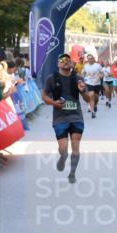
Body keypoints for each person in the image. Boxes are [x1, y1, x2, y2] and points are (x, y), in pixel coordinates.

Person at [42, 54, 91, 184]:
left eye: (68, 60)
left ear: (71, 63)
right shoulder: (51, 78)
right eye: (62, 60)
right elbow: (44, 96)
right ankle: (63, 157)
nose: (65, 62)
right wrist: (54, 103)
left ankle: (72, 173)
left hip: (76, 116)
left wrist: (83, 90)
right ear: (58, 64)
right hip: (60, 117)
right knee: (63, 148)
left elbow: (87, 99)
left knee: (76, 146)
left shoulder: (78, 78)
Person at [82, 53, 104, 118]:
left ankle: (95, 105)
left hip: (97, 83)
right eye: (88, 59)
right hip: (88, 83)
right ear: (87, 60)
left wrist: (101, 76)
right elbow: (83, 73)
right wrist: (82, 79)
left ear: (93, 59)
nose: (90, 60)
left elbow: (102, 73)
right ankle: (92, 112)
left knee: (96, 98)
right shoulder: (85, 66)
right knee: (91, 96)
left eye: (91, 58)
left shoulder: (98, 66)